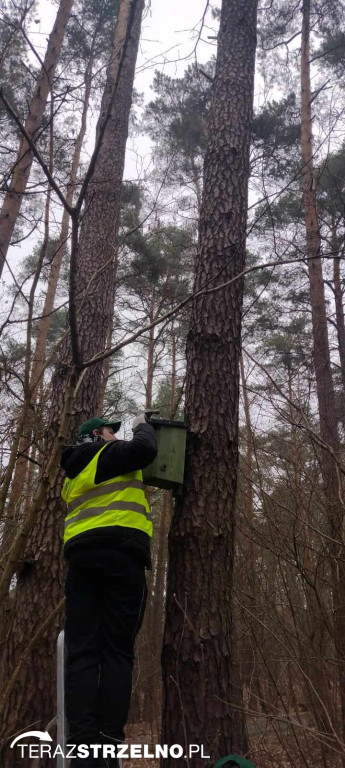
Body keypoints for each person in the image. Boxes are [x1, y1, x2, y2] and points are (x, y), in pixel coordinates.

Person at [60, 414, 157, 768]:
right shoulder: (108, 455)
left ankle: (82, 741)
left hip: (81, 559)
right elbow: (145, 449)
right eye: (110, 431)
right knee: (117, 650)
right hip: (121, 554)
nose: (115, 435)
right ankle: (109, 739)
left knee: (83, 650)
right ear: (95, 437)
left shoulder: (70, 476)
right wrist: (142, 423)